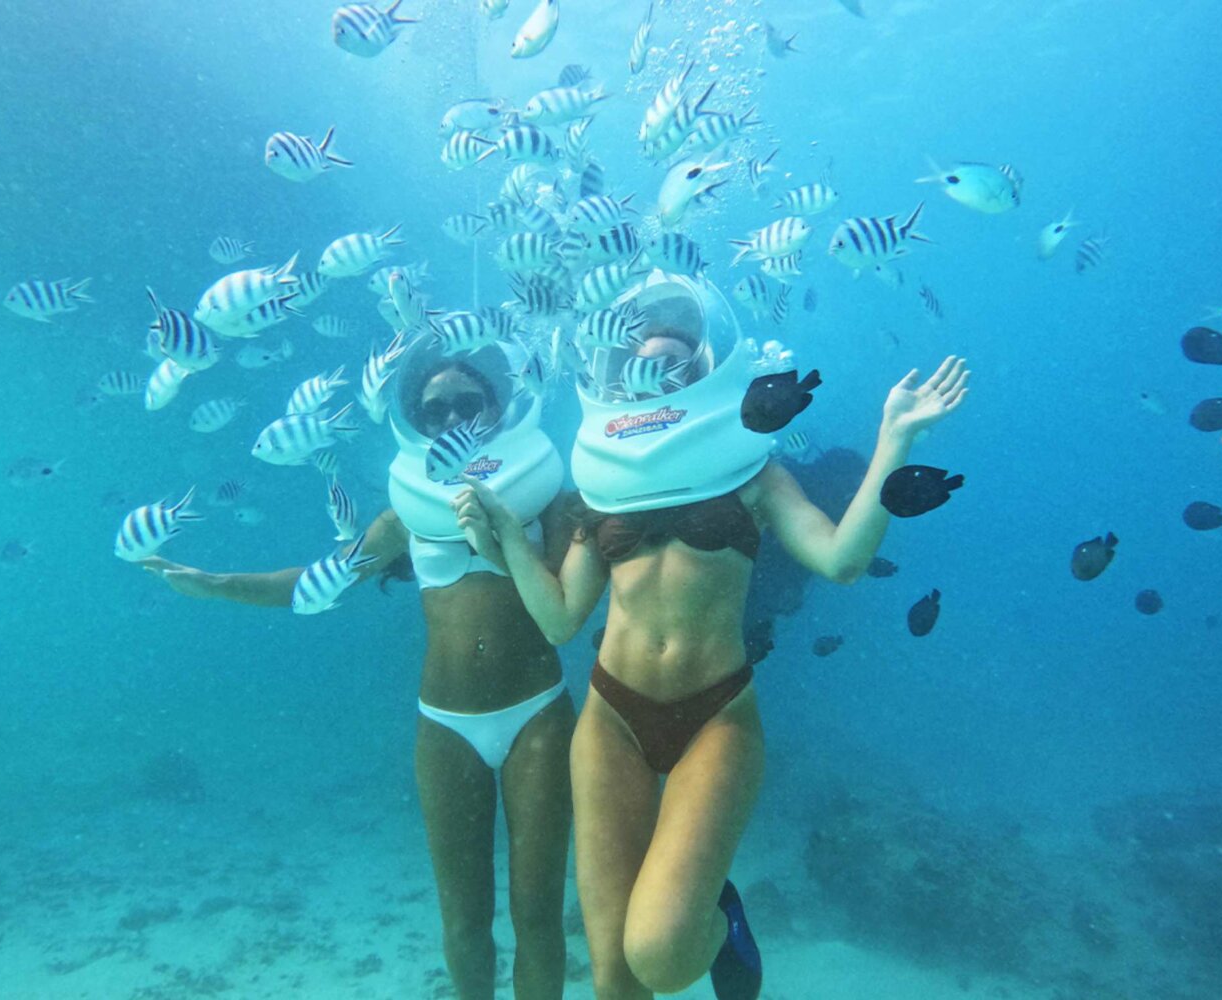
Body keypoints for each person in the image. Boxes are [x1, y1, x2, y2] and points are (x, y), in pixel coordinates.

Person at [454, 273, 970, 1000]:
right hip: (610, 722)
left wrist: (894, 439)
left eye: (675, 363)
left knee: (660, 956)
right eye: (646, 364)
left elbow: (842, 561)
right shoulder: (599, 488)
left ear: (702, 375)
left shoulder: (754, 473)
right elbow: (561, 617)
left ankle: (721, 921)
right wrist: (506, 537)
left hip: (716, 719)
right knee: (613, 981)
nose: (660, 376)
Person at [143, 338, 576, 1000]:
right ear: (414, 420)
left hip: (538, 716)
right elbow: (320, 583)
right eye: (435, 410)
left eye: (468, 402)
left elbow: (601, 578)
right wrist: (217, 582)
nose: (452, 418)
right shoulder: (406, 512)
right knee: (463, 921)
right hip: (446, 726)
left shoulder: (547, 495)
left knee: (537, 914)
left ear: (496, 406)